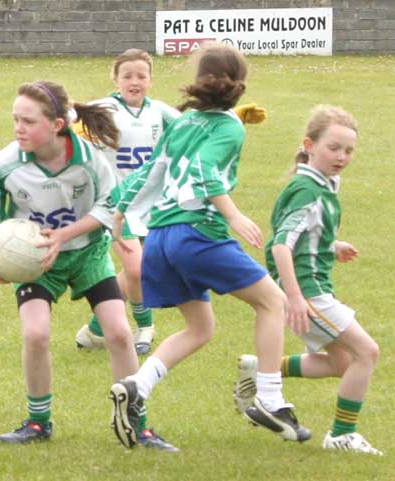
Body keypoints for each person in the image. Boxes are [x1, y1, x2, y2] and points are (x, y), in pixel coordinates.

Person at [107, 42, 311, 450]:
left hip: (160, 237)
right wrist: (233, 215)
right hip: (195, 233)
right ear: (240, 83)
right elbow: (203, 168)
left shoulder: (181, 123)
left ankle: (137, 385)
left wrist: (118, 215)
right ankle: (269, 399)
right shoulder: (229, 127)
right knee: (272, 302)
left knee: (200, 327)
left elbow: (150, 170)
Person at [73, 48, 267, 356]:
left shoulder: (160, 112)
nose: (134, 81)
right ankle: (144, 327)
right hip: (118, 200)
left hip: (153, 200)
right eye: (127, 76)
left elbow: (199, 125)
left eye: (141, 75)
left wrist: (235, 116)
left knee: (141, 269)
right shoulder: (104, 108)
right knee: (137, 269)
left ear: (151, 79)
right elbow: (65, 118)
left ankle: (97, 329)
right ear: (115, 79)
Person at [0, 80, 140, 444]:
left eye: (28, 121)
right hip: (34, 261)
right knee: (35, 335)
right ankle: (38, 423)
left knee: (118, 332)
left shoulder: (88, 158)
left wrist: (64, 236)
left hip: (87, 254)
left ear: (57, 125)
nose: (19, 128)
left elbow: (110, 204)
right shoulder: (5, 163)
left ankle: (136, 422)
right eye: (15, 119)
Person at [234, 105, 382, 455]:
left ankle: (263, 372)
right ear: (309, 145)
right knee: (367, 352)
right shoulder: (308, 189)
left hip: (310, 288)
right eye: (334, 148)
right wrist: (296, 297)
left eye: (348, 150)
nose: (342, 156)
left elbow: (303, 237)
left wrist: (331, 245)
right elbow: (282, 246)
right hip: (309, 292)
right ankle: (342, 435)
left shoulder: (324, 183)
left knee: (341, 362)